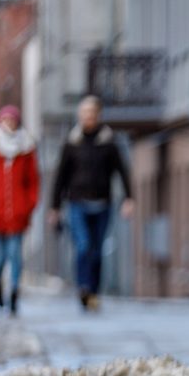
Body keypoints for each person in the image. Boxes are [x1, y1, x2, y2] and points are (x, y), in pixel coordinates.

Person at [49, 96, 134, 311]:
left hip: (103, 203)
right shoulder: (72, 143)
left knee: (97, 251)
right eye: (84, 113)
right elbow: (60, 176)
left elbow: (122, 171)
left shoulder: (108, 142)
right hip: (77, 202)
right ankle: (83, 287)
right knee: (83, 246)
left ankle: (94, 292)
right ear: (80, 116)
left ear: (98, 115)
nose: (88, 117)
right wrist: (55, 207)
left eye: (92, 113)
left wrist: (129, 198)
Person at [0, 106, 39, 315]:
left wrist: (29, 204)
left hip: (18, 214)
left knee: (15, 256)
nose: (9, 123)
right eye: (5, 119)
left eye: (12, 120)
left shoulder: (26, 148)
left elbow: (33, 181)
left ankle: (14, 292)